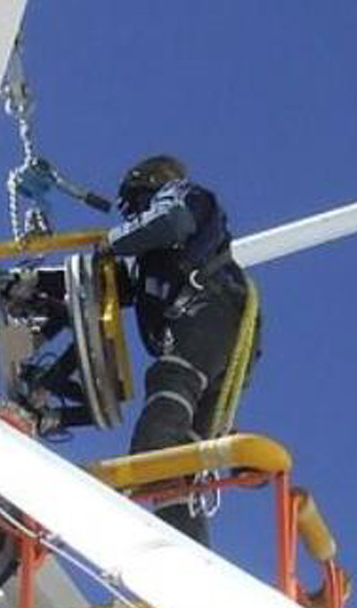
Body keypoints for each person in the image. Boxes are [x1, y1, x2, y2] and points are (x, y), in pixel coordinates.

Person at [108, 155, 257, 545]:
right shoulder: (152, 262)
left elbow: (170, 221)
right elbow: (102, 290)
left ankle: (145, 459)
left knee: (172, 382)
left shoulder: (184, 196)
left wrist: (108, 243)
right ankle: (187, 550)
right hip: (224, 333)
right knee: (186, 460)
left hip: (207, 314)